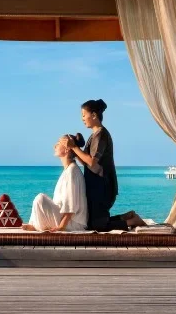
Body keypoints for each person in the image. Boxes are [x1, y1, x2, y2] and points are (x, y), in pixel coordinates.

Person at [62, 99, 146, 231]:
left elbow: (92, 161)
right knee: (92, 222)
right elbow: (85, 161)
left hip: (103, 186)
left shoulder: (101, 135)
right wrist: (74, 148)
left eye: (84, 115)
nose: (82, 118)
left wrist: (74, 147)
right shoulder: (94, 135)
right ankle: (127, 216)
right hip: (96, 186)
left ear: (94, 115)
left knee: (97, 226)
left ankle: (132, 221)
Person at [22, 134, 89, 232]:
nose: (55, 146)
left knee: (40, 198)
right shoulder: (69, 170)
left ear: (67, 149)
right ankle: (34, 224)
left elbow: (71, 205)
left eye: (58, 143)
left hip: (71, 224)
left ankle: (36, 226)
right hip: (64, 219)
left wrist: (61, 227)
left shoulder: (72, 172)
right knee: (40, 199)